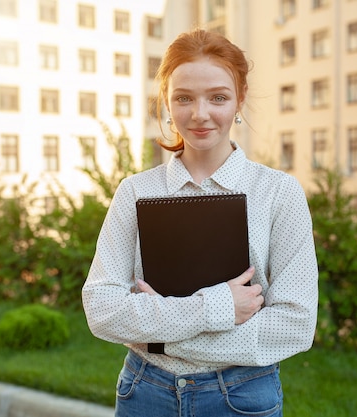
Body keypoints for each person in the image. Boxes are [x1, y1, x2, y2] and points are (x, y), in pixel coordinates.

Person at [82, 28, 318, 417]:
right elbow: (102, 308)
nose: (200, 114)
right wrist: (215, 308)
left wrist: (157, 338)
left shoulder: (279, 193)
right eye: (184, 98)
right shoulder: (135, 192)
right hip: (145, 394)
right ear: (167, 102)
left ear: (240, 99)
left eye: (218, 98)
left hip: (241, 396)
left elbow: (294, 324)